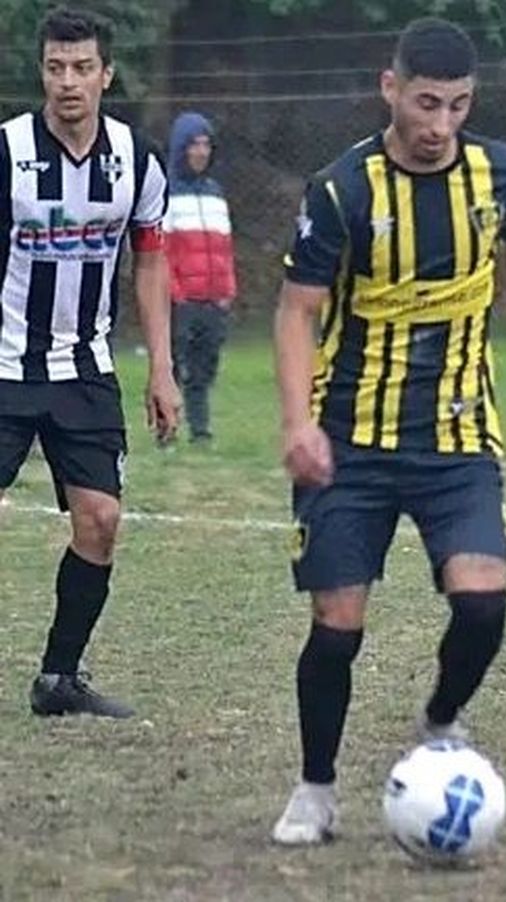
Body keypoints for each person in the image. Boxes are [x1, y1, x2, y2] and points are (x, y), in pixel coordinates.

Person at [271, 18, 506, 844]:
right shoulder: (342, 191)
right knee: (338, 623)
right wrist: (297, 423)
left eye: (458, 106)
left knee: (483, 601)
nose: (440, 125)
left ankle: (440, 719)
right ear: (390, 88)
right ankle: (315, 790)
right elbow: (296, 312)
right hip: (348, 437)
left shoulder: (500, 175)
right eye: (427, 103)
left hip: (457, 434)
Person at [0, 7, 179, 717]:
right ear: (41, 72)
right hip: (5, 367)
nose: (67, 81)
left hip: (84, 371)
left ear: (106, 74)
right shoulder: (8, 152)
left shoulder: (136, 159)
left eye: (81, 67)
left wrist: (161, 368)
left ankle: (58, 680)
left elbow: (151, 263)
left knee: (100, 520)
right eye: (54, 67)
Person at [164, 111, 236, 444]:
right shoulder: (167, 193)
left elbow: (224, 246)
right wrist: (175, 292)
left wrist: (227, 289)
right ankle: (166, 427)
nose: (201, 152)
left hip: (214, 298)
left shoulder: (216, 193)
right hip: (182, 299)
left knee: (205, 366)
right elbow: (162, 252)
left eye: (206, 145)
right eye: (194, 144)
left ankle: (201, 430)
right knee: (174, 365)